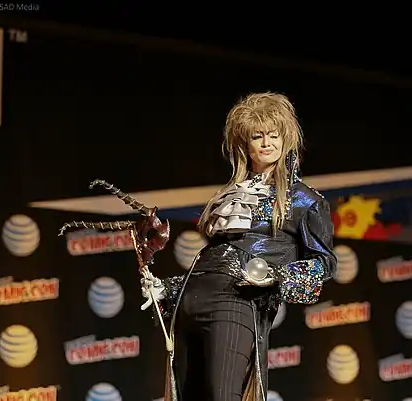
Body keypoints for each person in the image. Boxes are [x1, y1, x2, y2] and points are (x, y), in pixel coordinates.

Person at [141, 92, 337, 401]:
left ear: (286, 139)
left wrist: (276, 276)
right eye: (258, 136)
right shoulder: (229, 194)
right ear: (244, 143)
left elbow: (324, 263)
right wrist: (168, 288)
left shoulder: (305, 200)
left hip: (237, 299)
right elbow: (217, 260)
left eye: (274, 135)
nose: (267, 143)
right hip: (192, 302)